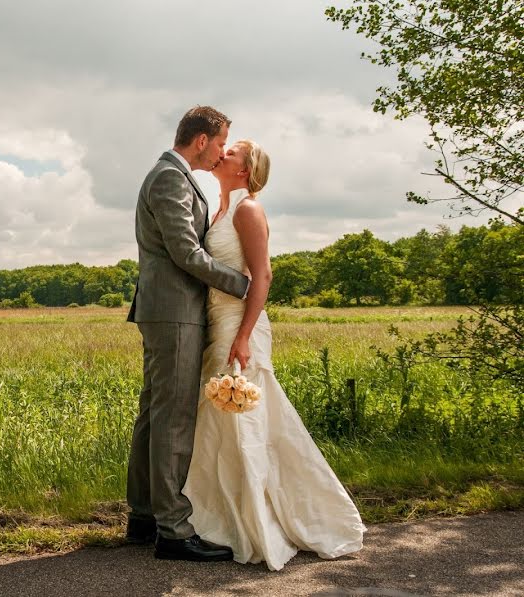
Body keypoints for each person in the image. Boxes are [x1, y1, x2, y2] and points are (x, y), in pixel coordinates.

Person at [182, 140, 366, 571]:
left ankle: (259, 521)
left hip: (238, 326)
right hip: (216, 323)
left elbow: (262, 274)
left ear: (244, 171)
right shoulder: (219, 212)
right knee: (219, 422)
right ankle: (222, 515)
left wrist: (244, 335)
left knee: (244, 419)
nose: (221, 154)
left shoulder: (249, 210)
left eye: (232, 153)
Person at [126, 106, 249, 561]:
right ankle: (173, 531)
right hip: (175, 311)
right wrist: (241, 284)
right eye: (219, 144)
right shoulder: (170, 178)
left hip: (167, 310)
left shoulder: (173, 177)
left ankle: (143, 517)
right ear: (201, 140)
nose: (220, 153)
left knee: (154, 414)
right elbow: (185, 252)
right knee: (173, 416)